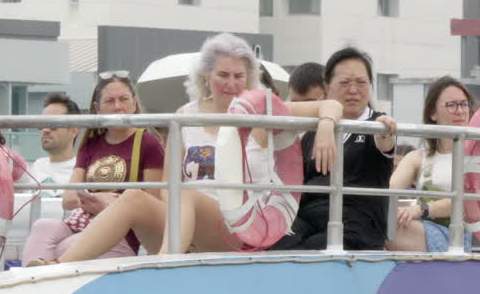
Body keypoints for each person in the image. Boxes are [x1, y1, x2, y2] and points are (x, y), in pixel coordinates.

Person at [47, 34, 344, 263]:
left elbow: (329, 104)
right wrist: (179, 219)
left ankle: (165, 268)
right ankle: (58, 266)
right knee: (136, 197)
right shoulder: (185, 116)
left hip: (241, 228)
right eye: (223, 75)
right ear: (206, 77)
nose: (231, 84)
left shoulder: (263, 112)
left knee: (187, 194)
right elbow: (168, 183)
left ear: (249, 78)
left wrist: (327, 127)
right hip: (185, 221)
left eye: (239, 76)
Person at [22, 73, 166, 264]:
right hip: (83, 221)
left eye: (124, 99)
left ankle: (42, 278)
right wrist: (97, 199)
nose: (117, 107)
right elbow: (69, 198)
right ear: (98, 108)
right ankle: (33, 283)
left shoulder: (147, 142)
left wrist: (110, 204)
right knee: (42, 227)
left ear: (134, 103)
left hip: (121, 233)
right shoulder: (91, 143)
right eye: (110, 101)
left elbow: (152, 201)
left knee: (65, 247)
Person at [271, 47, 397, 251]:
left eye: (361, 83)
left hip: (355, 225)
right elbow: (273, 111)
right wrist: (325, 123)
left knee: (313, 250)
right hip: (307, 219)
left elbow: (386, 140)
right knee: (273, 239)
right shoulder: (313, 132)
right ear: (327, 88)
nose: (354, 90)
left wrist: (387, 130)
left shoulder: (377, 124)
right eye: (345, 83)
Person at [387, 76, 480, 252]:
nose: (460, 111)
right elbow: (390, 188)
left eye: (464, 104)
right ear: (432, 113)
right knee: (381, 220)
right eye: (451, 105)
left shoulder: (479, 155)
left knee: (391, 228)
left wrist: (423, 209)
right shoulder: (417, 157)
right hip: (422, 230)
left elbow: (470, 202)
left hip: (458, 236)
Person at [29, 92, 81, 197]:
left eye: (53, 124)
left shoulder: (82, 171)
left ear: (73, 131)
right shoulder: (37, 167)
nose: (46, 130)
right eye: (43, 124)